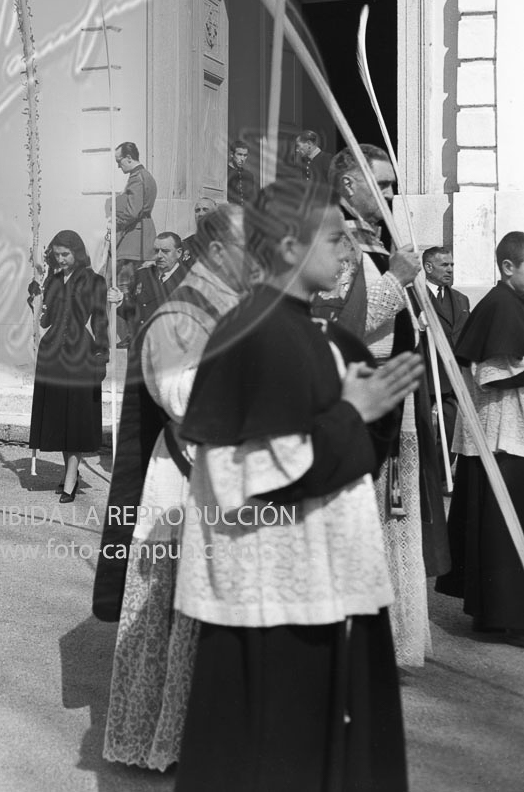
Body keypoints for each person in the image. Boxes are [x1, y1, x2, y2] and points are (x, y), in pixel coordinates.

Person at [173, 180, 423, 792]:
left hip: (325, 585)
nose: (350, 251)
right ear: (287, 246)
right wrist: (352, 413)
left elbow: (350, 457)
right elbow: (247, 475)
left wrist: (376, 403)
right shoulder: (250, 334)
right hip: (273, 601)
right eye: (337, 238)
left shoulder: (319, 332)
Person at [100, 206, 246, 770]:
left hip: (235, 481)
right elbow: (181, 399)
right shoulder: (175, 313)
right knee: (167, 613)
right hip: (182, 483)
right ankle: (157, 742)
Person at [314, 144, 448, 667]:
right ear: (349, 186)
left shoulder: (375, 237)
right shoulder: (331, 236)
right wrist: (397, 280)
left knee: (393, 516)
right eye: (383, 184)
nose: (392, 194)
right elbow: (341, 325)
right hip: (359, 398)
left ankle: (394, 639)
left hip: (395, 398)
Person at [435, 231, 524, 633]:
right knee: (502, 530)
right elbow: (488, 374)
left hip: (505, 433)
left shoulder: (511, 301)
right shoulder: (501, 305)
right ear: (508, 268)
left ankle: (497, 615)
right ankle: (503, 619)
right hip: (499, 434)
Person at [28, 230, 108, 502]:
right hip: (53, 353)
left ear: (77, 253)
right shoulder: (51, 280)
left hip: (79, 353)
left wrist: (102, 354)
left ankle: (72, 477)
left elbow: (100, 320)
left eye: (66, 254)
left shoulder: (94, 280)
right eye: (57, 254)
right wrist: (35, 298)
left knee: (74, 417)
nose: (60, 259)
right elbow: (46, 320)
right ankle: (69, 471)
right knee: (60, 416)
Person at [420, 246, 470, 476]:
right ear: (428, 267)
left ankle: (441, 476)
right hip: (425, 374)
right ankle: (423, 477)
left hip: (451, 378)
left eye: (451, 265)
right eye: (444, 265)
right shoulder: (414, 296)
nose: (450, 269)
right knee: (422, 432)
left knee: (451, 429)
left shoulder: (461, 300)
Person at [106, 141, 157, 346]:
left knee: (124, 287)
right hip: (141, 235)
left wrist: (114, 223)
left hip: (134, 239)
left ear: (129, 158)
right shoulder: (146, 176)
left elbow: (132, 211)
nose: (119, 166)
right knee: (135, 287)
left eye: (120, 161)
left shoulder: (137, 178)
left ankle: (131, 335)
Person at [120, 232, 187, 341]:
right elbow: (132, 313)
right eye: (156, 251)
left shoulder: (188, 279)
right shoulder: (142, 275)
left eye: (165, 251)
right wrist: (119, 301)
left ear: (179, 253)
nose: (159, 256)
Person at [180, 196, 217, 269]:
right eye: (197, 210)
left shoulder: (224, 241)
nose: (200, 214)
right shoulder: (185, 243)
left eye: (205, 210)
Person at [225, 139, 256, 207]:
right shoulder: (223, 171)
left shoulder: (249, 175)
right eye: (239, 154)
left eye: (245, 155)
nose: (242, 159)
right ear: (232, 154)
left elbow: (251, 198)